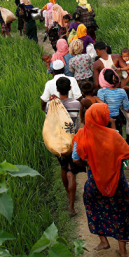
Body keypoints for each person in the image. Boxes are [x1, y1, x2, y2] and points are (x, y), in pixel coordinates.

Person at [71, 103, 129, 257]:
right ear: (102, 118)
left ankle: (103, 241)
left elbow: (76, 159)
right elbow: (128, 154)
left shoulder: (82, 135)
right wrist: (117, 162)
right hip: (117, 181)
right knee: (122, 211)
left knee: (95, 209)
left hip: (94, 180)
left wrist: (88, 164)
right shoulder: (113, 135)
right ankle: (122, 250)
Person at [47, 77, 84, 217]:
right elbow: (78, 122)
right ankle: (71, 207)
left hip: (58, 142)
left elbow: (49, 121)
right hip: (72, 141)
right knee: (71, 171)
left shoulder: (52, 106)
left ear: (57, 89)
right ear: (70, 88)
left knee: (63, 168)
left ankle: (69, 196)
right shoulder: (76, 104)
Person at [97, 69, 129, 135]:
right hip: (117, 119)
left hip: (105, 119)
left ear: (103, 79)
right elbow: (127, 109)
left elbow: (100, 108)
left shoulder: (101, 92)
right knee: (118, 140)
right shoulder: (122, 91)